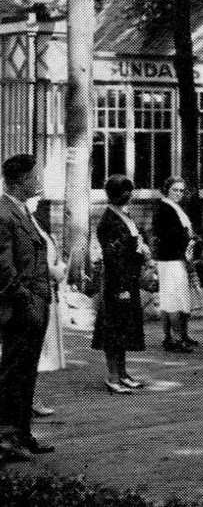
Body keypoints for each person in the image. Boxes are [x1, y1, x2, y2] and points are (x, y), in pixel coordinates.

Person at [0, 155, 55, 460]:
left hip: (36, 303)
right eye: (36, 175)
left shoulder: (22, 210)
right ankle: (7, 439)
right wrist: (26, 300)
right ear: (21, 180)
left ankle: (22, 434)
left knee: (26, 372)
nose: (40, 180)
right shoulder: (3, 213)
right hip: (21, 307)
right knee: (14, 373)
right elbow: (3, 268)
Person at [93, 175, 149, 395]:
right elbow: (114, 258)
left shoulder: (125, 216)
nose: (129, 196)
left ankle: (123, 373)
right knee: (114, 330)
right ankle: (113, 375)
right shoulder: (108, 222)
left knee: (124, 329)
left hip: (129, 279)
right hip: (118, 283)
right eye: (126, 192)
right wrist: (122, 287)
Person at [153, 177, 198, 353]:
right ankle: (174, 338)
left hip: (179, 258)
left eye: (181, 190)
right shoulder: (163, 209)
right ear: (167, 190)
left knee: (181, 298)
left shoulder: (176, 207)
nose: (179, 193)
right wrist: (186, 238)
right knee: (172, 299)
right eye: (175, 190)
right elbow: (167, 235)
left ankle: (180, 336)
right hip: (170, 259)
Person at [33, 195, 68, 418]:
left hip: (47, 292)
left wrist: (59, 267)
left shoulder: (41, 228)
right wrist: (52, 270)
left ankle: (31, 397)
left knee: (37, 350)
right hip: (34, 293)